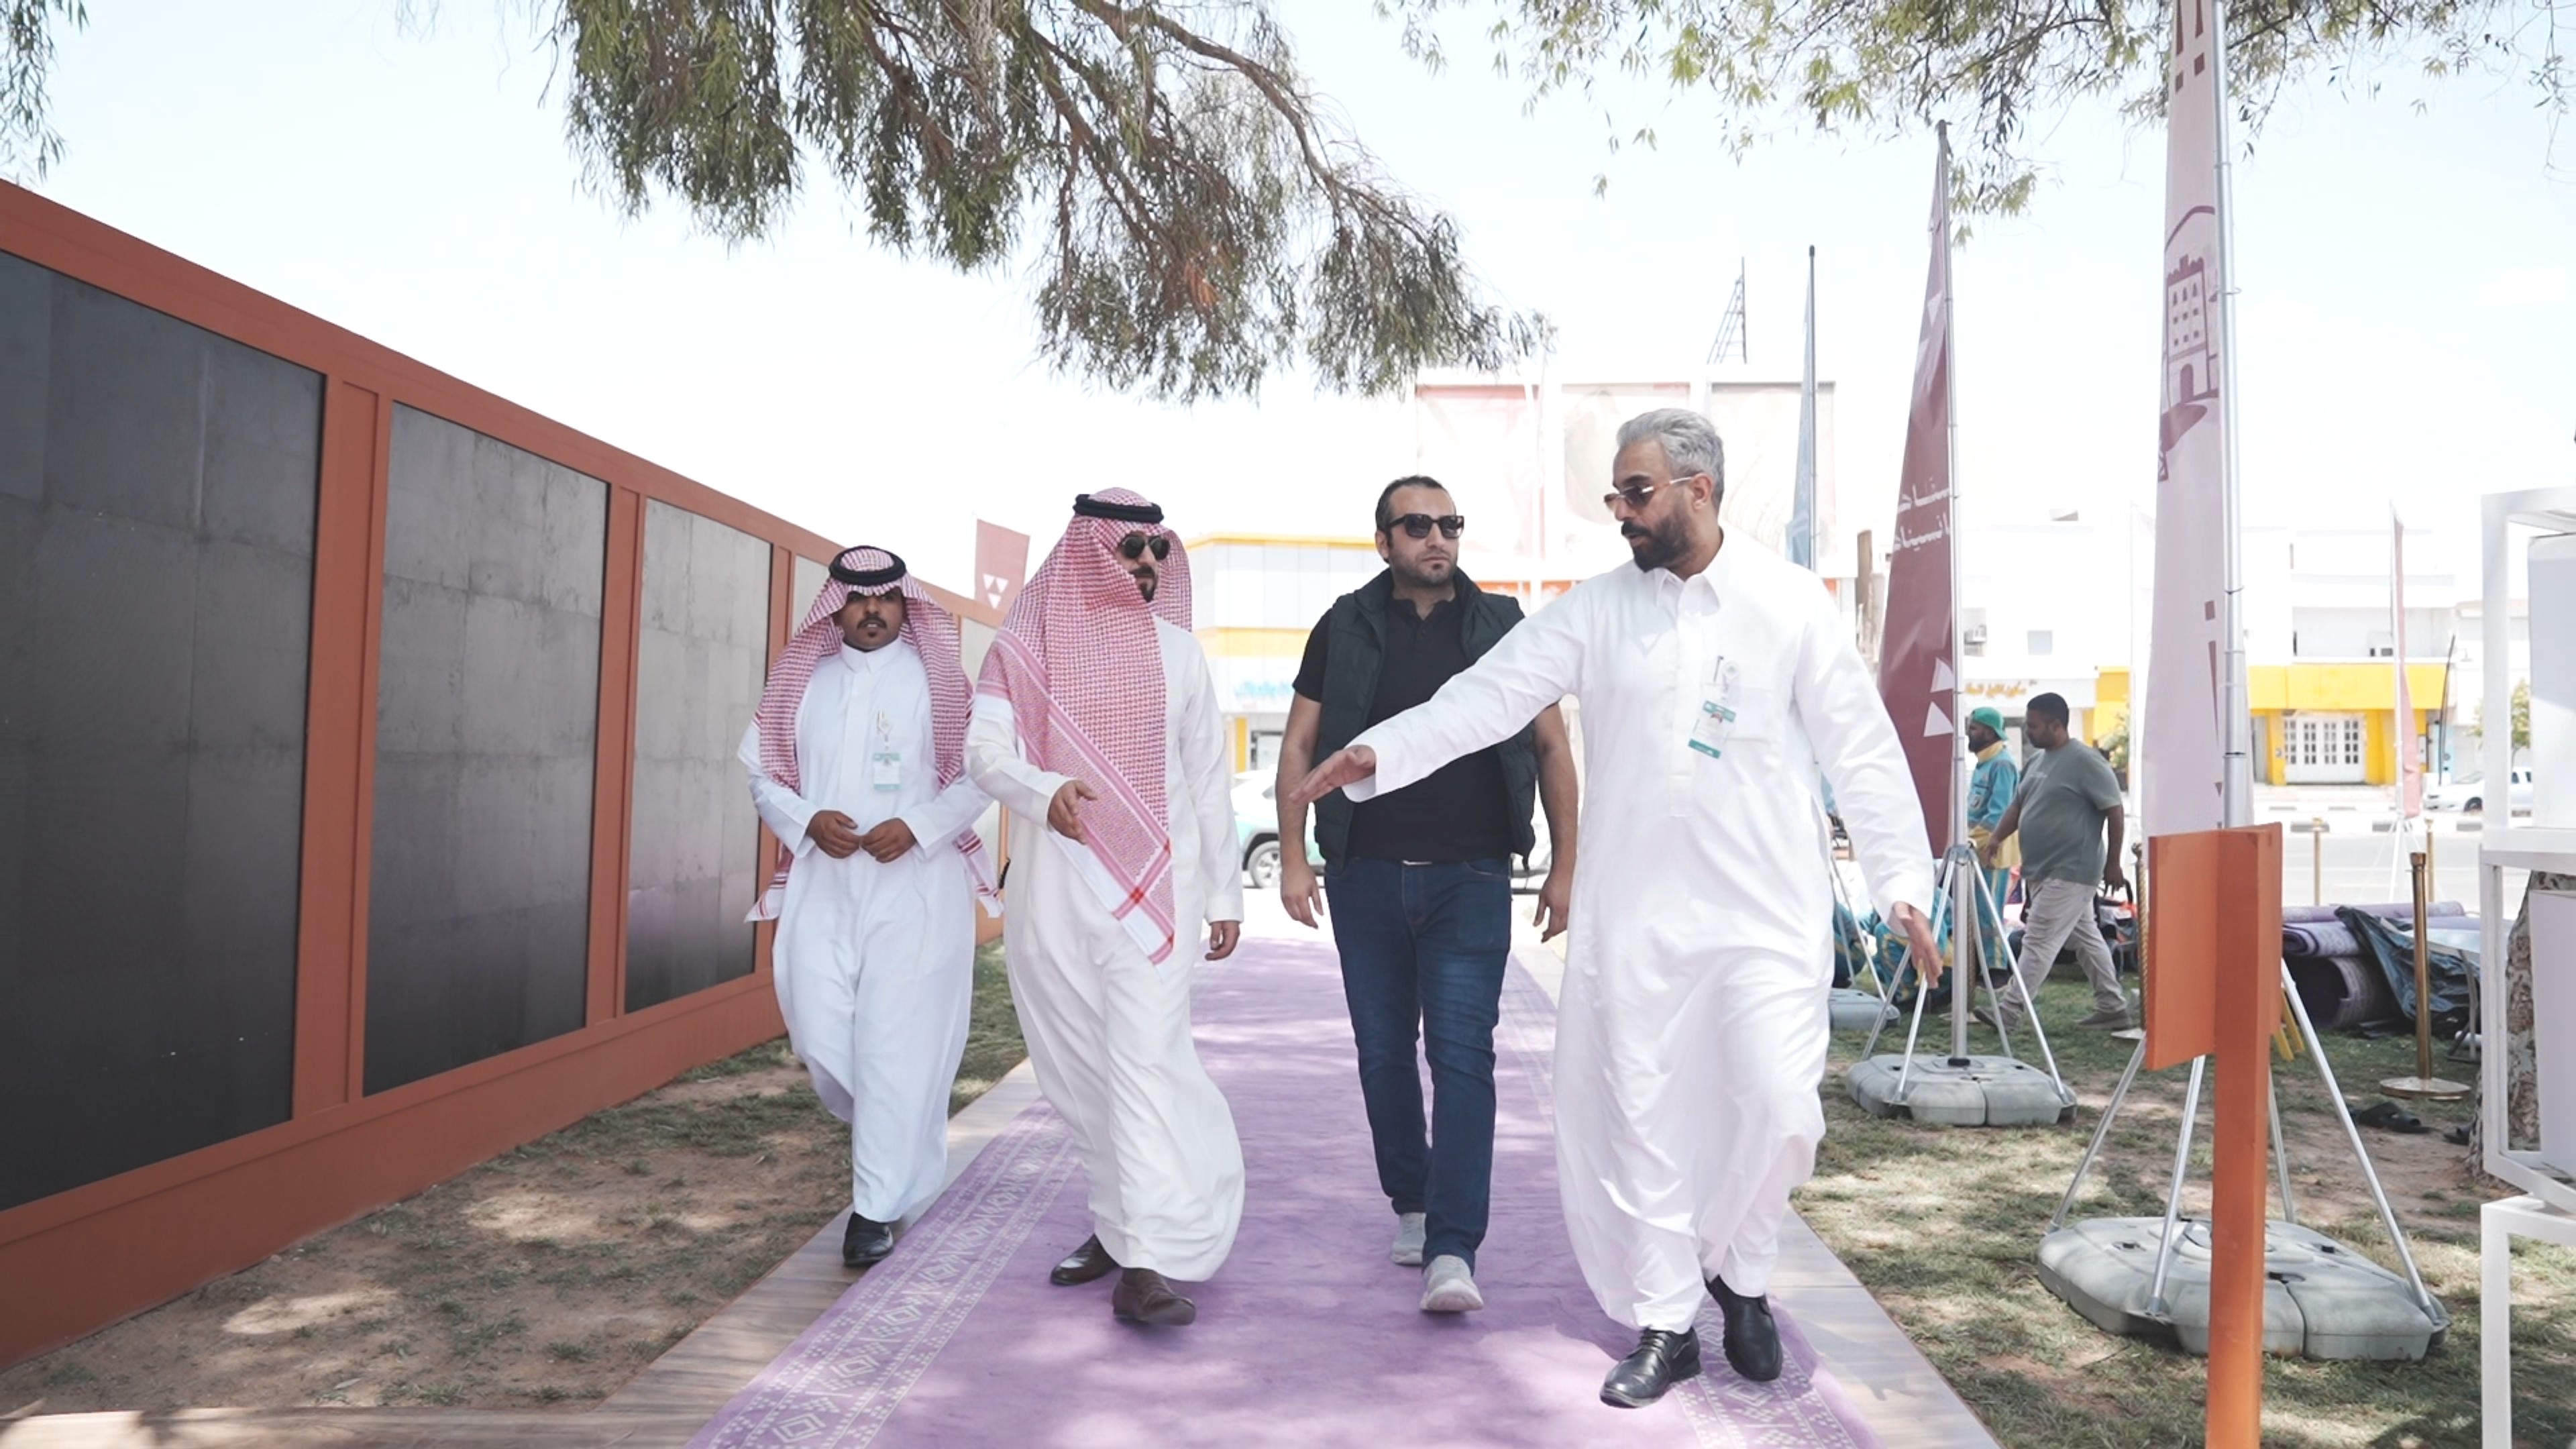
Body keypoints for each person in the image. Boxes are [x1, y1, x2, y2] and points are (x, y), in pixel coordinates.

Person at [1290, 409, 1941, 1408]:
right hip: (1635, 912)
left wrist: (1902, 883)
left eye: (1636, 493)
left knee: (1779, 1107)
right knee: (1644, 1114)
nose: (1621, 513)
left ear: (1699, 490)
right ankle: (1667, 1319)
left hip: (1766, 912)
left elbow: (1861, 748)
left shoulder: (1787, 603)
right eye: (1616, 495)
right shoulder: (1597, 611)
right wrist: (1385, 751)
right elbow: (1487, 696)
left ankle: (1741, 1270)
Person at [1273, 475, 1580, 1317]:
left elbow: (1552, 747)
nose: (1437, 537)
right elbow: (1299, 743)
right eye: (1417, 525)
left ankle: (1453, 1248)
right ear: (1384, 542)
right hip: (1365, 873)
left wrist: (1566, 865)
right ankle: (1410, 1200)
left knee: (1463, 1056)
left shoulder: (1502, 626)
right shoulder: (1343, 625)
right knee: (1382, 1053)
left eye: (1449, 523)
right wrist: (1295, 857)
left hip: (1471, 876)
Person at [965, 490, 1244, 1328]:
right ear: (1090, 554)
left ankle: (1148, 1263)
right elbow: (983, 754)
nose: (1149, 563)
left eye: (1159, 550)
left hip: (1159, 898)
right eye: (1131, 550)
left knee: (1148, 1064)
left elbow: (1207, 780)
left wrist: (1225, 893)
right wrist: (1043, 789)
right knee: (1079, 1069)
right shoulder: (1025, 647)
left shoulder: (1181, 655)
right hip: (1054, 890)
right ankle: (1119, 1225)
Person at [740, 546, 999, 1269]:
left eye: (885, 597)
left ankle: (873, 1211)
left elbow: (984, 774)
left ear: (904, 604)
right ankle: (899, 1129)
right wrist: (806, 820)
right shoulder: (804, 681)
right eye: (858, 599)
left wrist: (918, 825)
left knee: (894, 1043)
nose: (872, 609)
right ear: (837, 606)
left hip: (916, 887)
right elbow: (762, 775)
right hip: (824, 882)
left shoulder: (939, 682)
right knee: (821, 1033)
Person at [1982, 692, 2131, 1030]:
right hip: (2041, 869)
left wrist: (2114, 863)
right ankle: (2113, 1006)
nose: (2028, 731)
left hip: (2072, 871)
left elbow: (2115, 811)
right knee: (2087, 939)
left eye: (2034, 726)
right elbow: (2018, 806)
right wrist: (1996, 838)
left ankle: (2009, 1011)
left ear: (2056, 725)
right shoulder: (2037, 761)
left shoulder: (2086, 762)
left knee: (2038, 939)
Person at [1966, 705, 2021, 913]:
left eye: (1974, 729)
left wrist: (1972, 840)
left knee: (1988, 917)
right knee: (1973, 916)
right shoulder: (1984, 763)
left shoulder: (2002, 765)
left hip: (1992, 853)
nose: (1968, 734)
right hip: (1976, 851)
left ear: (1989, 733)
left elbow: (1999, 814)